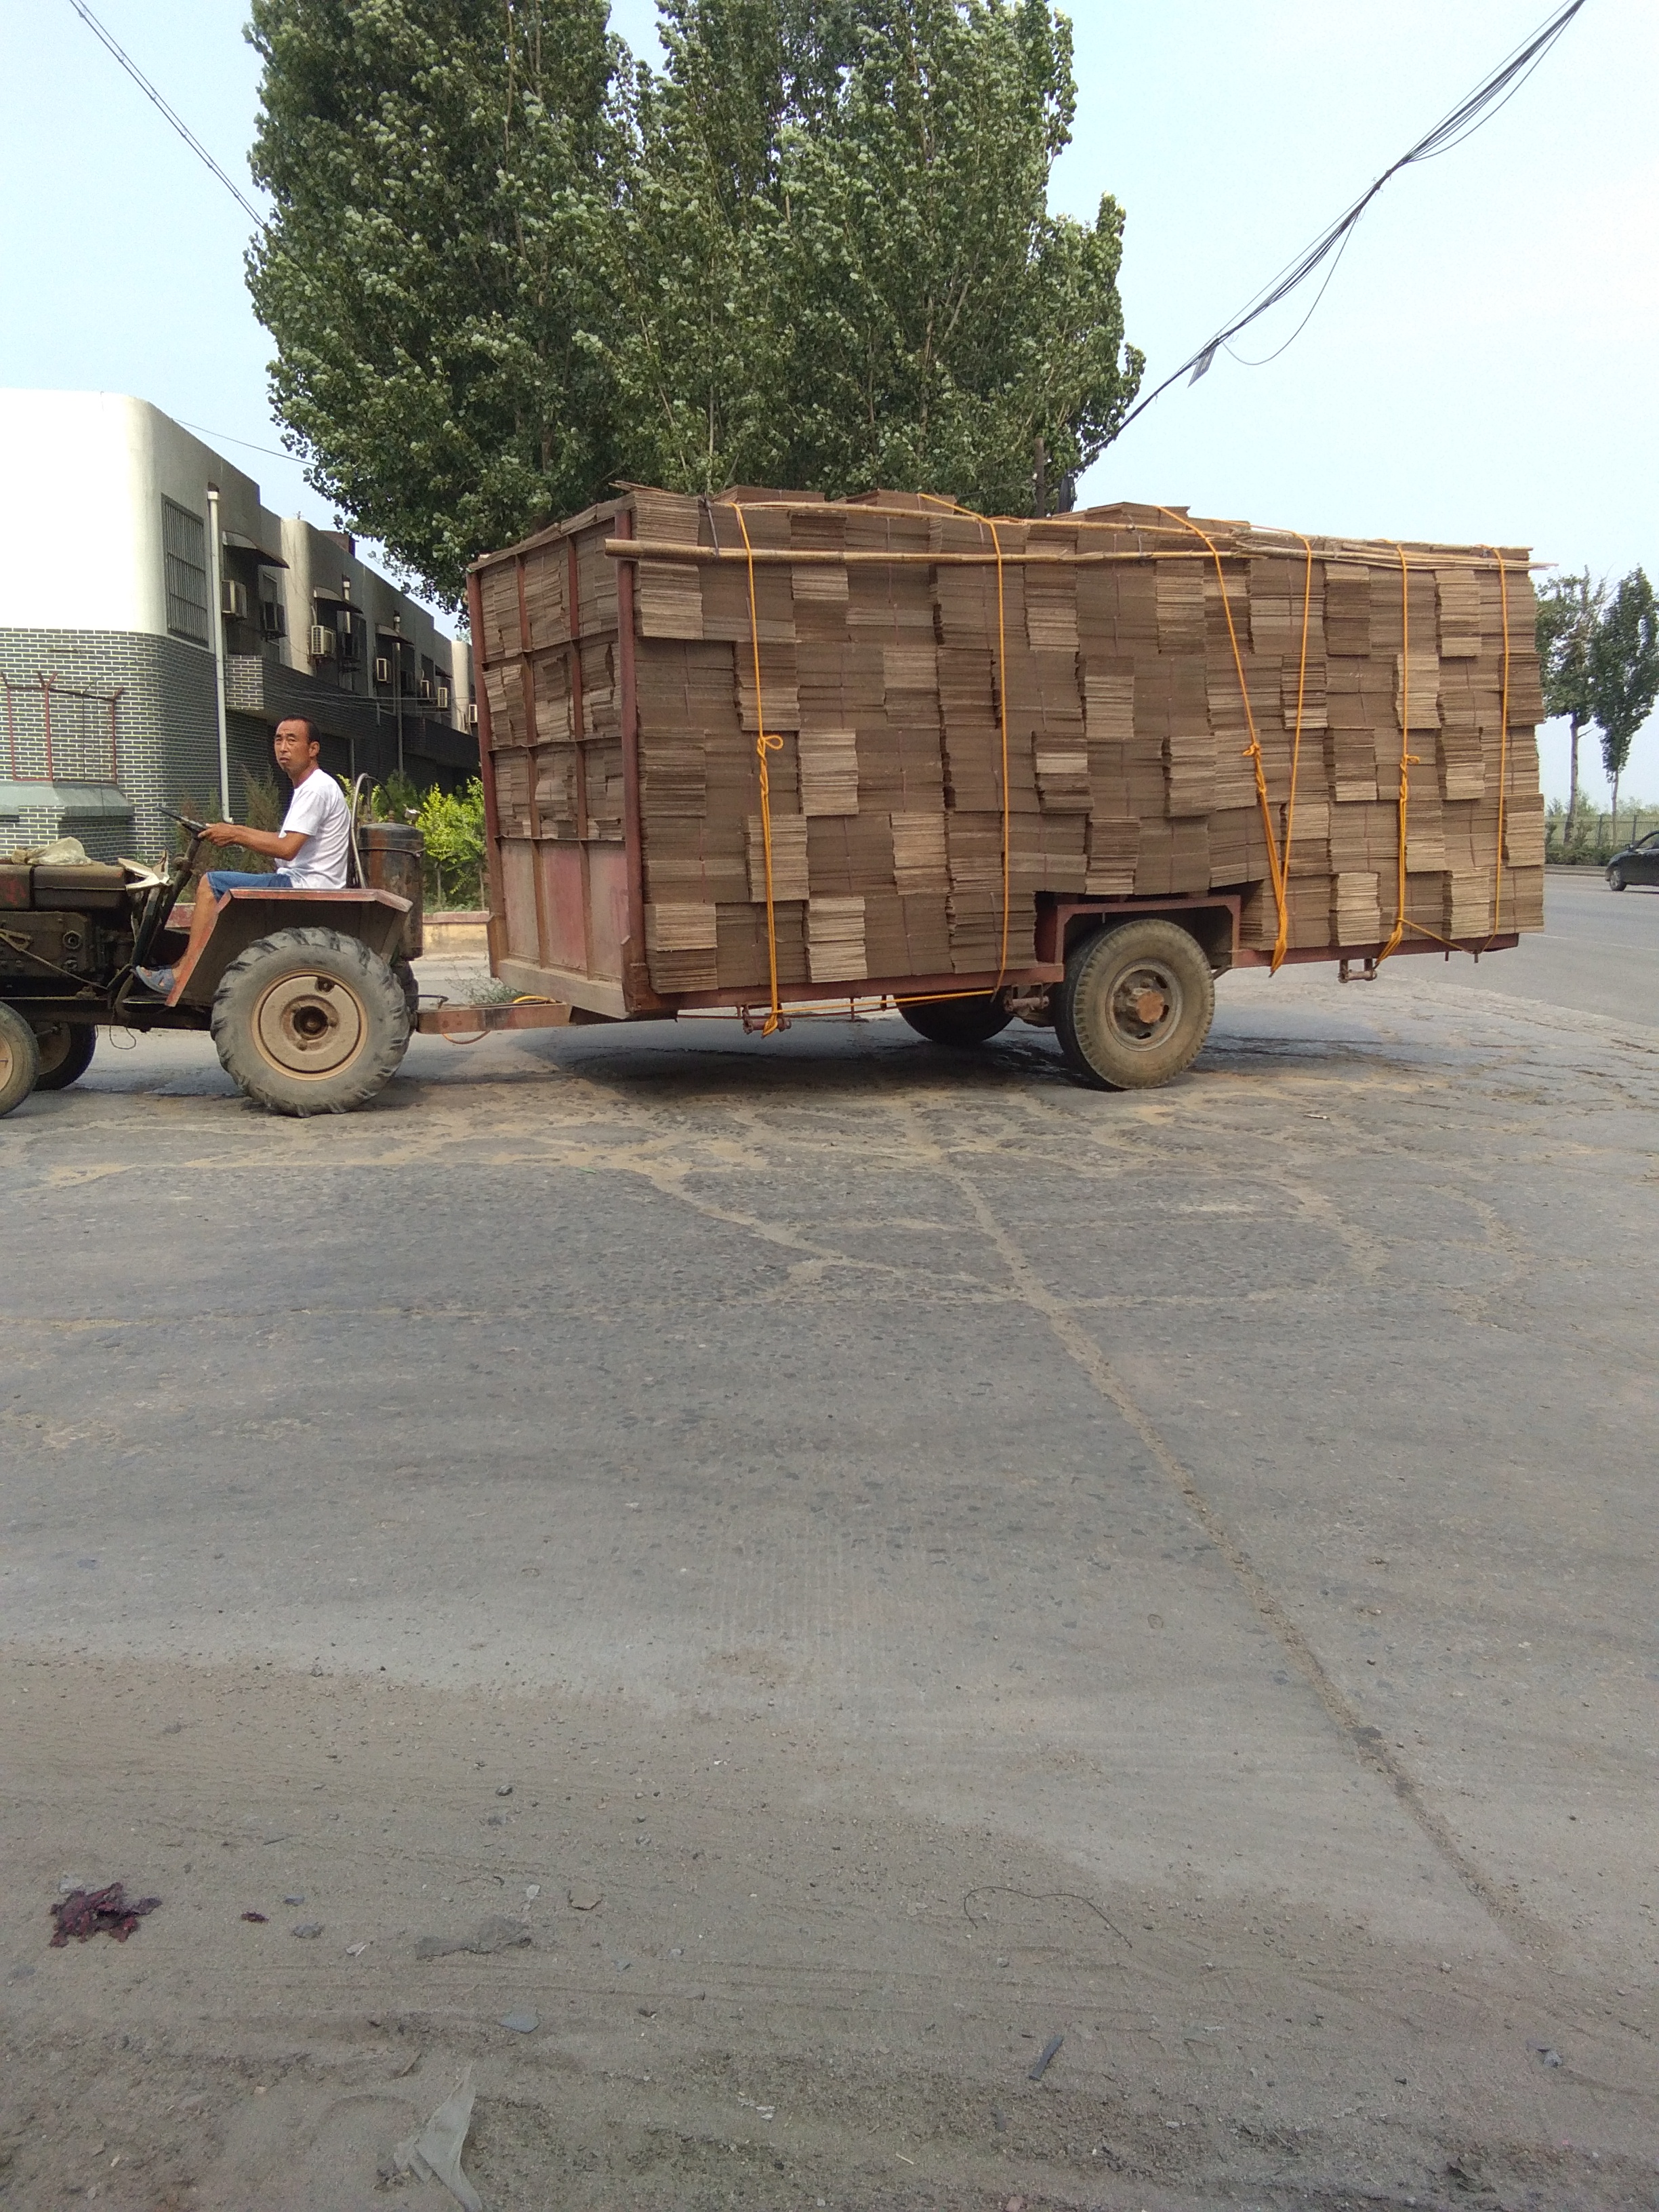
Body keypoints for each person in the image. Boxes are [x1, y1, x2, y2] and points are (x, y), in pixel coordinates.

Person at [136, 718, 352, 998]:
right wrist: (233, 832)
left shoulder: (316, 788)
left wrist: (236, 834)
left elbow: (287, 849)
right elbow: (287, 841)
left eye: (292, 740)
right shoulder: (309, 787)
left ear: (313, 749)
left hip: (305, 886)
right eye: (278, 740)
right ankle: (183, 965)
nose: (283, 747)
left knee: (211, 884)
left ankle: (184, 976)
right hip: (301, 881)